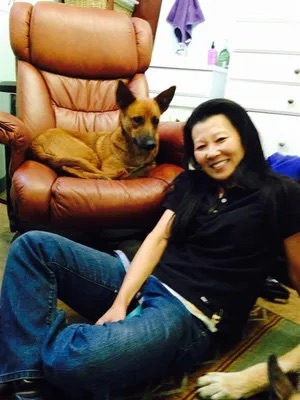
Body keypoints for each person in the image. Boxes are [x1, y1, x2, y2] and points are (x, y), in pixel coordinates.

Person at [1, 98, 300, 400]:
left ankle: (24, 349)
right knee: (32, 246)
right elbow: (158, 239)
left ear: (244, 136)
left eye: (221, 140)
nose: (212, 153)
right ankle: (28, 381)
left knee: (72, 360)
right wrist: (121, 302)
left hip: (188, 312)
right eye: (201, 146)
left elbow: (296, 270)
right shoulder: (193, 183)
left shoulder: (280, 192)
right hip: (137, 276)